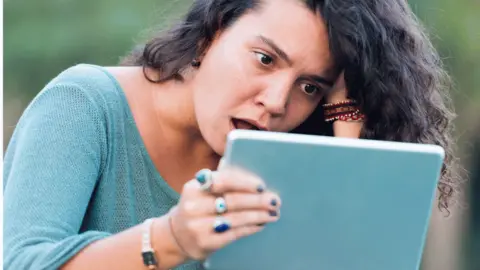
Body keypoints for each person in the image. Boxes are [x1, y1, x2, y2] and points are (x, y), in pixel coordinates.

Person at [3, 0, 459, 269]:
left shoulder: (287, 157)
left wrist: (344, 142)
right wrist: (170, 238)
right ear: (212, 32)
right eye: (265, 59)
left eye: (310, 86)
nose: (278, 101)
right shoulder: (84, 103)